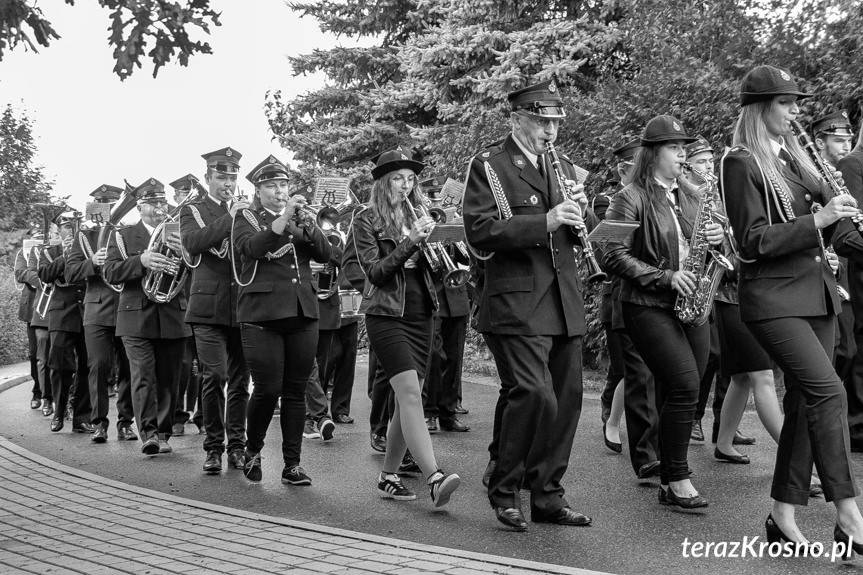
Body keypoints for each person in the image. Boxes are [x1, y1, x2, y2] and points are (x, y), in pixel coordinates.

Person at [722, 64, 863, 548]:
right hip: (774, 297)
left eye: (796, 102)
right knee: (828, 393)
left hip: (816, 294)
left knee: (807, 403)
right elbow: (753, 240)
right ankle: (850, 516)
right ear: (762, 107)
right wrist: (821, 217)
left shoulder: (799, 160)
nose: (796, 110)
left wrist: (843, 220)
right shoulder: (740, 161)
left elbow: (836, 226)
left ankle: (782, 515)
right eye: (786, 102)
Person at [463, 79, 593, 531]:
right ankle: (504, 488)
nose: (550, 131)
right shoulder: (491, 166)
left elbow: (584, 229)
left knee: (568, 400)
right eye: (541, 121)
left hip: (562, 301)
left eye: (555, 122)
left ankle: (548, 495)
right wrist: (546, 219)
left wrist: (581, 210)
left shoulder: (565, 168)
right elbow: (480, 231)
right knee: (533, 394)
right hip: (517, 301)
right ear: (516, 119)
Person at [604, 115, 725, 509]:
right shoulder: (631, 196)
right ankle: (677, 478)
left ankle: (671, 476)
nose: (682, 154)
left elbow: (713, 248)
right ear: (653, 153)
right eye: (675, 148)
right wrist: (666, 277)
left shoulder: (691, 195)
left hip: (692, 304)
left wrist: (718, 239)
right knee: (686, 384)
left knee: (684, 389)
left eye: (684, 148)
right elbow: (612, 254)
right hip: (648, 305)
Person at [344, 148, 461, 507]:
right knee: (410, 394)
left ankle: (388, 476)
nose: (405, 186)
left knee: (406, 399)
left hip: (422, 311)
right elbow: (376, 273)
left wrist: (444, 244)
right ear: (382, 182)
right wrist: (410, 241)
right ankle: (434, 476)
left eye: (411, 180)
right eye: (398, 178)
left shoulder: (420, 212)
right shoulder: (365, 220)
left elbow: (434, 269)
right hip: (386, 314)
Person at [232, 155, 331, 486]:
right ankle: (253, 450)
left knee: (295, 390)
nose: (279, 191)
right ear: (258, 190)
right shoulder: (247, 216)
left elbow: (325, 254)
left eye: (284, 185)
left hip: (302, 311)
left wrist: (311, 225)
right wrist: (285, 217)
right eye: (272, 186)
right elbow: (253, 248)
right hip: (262, 315)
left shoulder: (300, 217)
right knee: (267, 388)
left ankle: (292, 464)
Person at [103, 178, 191, 456]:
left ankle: (163, 432)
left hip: (171, 313)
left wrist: (185, 253)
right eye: (152, 203)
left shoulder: (179, 233)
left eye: (162, 202)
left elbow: (194, 269)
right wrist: (141, 261)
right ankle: (149, 434)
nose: (159, 208)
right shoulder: (123, 236)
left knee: (169, 377)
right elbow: (110, 273)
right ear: (139, 207)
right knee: (143, 376)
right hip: (136, 316)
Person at [179, 148, 252, 475]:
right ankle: (213, 447)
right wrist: (233, 216)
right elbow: (195, 242)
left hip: (243, 306)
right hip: (207, 308)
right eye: (221, 177)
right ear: (208, 178)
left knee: (240, 381)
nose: (228, 182)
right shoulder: (193, 210)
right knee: (215, 375)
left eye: (232, 177)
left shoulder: (248, 210)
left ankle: (237, 445)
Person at [65, 184, 136, 443]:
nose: (107, 208)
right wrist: (92, 262)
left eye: (112, 203)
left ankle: (126, 422)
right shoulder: (85, 236)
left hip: (127, 308)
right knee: (98, 367)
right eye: (103, 203)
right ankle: (98, 423)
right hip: (96, 310)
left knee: (128, 369)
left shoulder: (128, 233)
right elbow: (70, 273)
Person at [38, 209, 93, 434]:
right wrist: (67, 256)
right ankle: (59, 410)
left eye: (75, 227)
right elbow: (44, 275)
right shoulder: (50, 252)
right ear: (59, 232)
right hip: (61, 314)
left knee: (87, 366)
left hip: (87, 312)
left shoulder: (89, 247)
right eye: (67, 228)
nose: (71, 231)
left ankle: (81, 417)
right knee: (59, 365)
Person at [834, 113, 863, 451]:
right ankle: (857, 430)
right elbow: (849, 232)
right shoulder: (854, 163)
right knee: (856, 355)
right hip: (858, 271)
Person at [14, 234, 43, 411]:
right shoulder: (23, 252)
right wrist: (40, 279)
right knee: (34, 353)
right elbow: (19, 273)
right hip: (32, 308)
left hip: (52, 306)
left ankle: (54, 394)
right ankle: (37, 390)